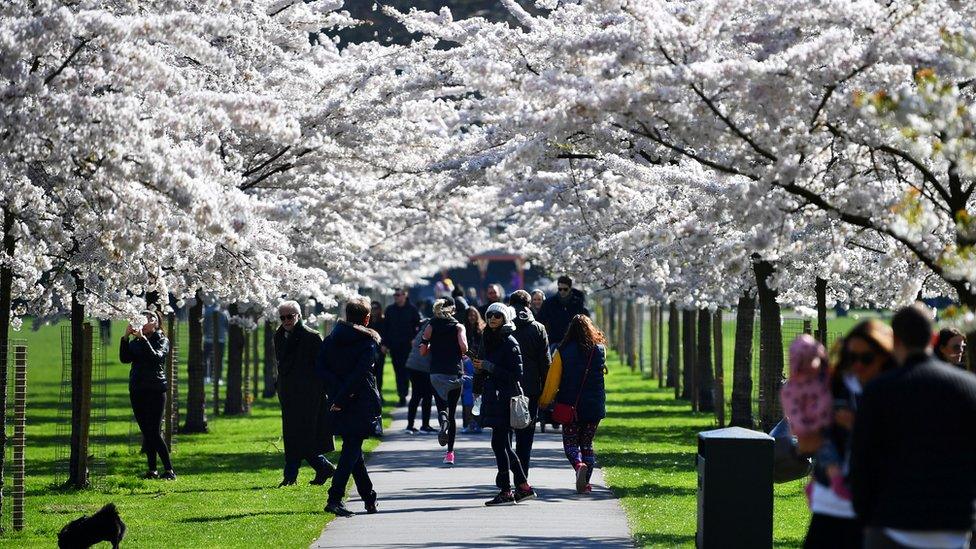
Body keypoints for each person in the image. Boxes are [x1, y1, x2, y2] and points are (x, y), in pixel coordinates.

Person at [851, 304, 976, 549]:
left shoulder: (879, 390)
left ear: (895, 339)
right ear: (932, 337)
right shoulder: (969, 388)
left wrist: (865, 515)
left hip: (893, 521)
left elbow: (862, 461)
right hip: (954, 524)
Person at [801, 320, 894, 549]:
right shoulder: (835, 385)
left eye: (866, 359)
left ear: (884, 356)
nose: (858, 366)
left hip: (873, 504)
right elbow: (816, 439)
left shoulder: (893, 390)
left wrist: (858, 427)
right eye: (852, 358)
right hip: (830, 500)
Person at [316, 296, 382, 517]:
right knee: (351, 450)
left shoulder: (331, 339)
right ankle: (334, 498)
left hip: (338, 401)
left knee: (353, 451)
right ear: (366, 318)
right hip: (359, 401)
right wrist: (345, 395)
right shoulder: (367, 342)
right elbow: (360, 374)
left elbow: (321, 369)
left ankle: (369, 497)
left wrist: (336, 394)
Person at [474, 303, 535, 505]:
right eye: (489, 315)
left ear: (505, 319)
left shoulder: (510, 342)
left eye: (497, 316)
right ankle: (523, 487)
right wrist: (479, 370)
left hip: (506, 397)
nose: (492, 319)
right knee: (502, 444)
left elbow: (516, 374)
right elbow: (485, 365)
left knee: (500, 444)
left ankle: (507, 490)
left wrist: (488, 366)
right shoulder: (488, 338)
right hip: (493, 395)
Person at [540, 314, 607, 494]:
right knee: (587, 444)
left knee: (571, 444)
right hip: (594, 407)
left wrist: (545, 402)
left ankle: (578, 466)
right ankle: (585, 484)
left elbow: (553, 380)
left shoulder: (562, 351)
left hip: (571, 406)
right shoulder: (599, 350)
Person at [272, 301, 335, 487]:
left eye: (289, 316)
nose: (286, 320)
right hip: (289, 393)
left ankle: (294, 474)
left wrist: (323, 390)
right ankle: (320, 468)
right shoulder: (278, 335)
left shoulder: (312, 336)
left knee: (305, 435)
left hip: (310, 394)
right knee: (292, 435)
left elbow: (323, 365)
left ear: (298, 316)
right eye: (282, 317)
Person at [120, 311, 176, 480]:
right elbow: (125, 358)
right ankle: (152, 470)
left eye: (151, 319)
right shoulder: (136, 342)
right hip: (137, 389)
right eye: (143, 318)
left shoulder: (162, 340)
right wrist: (125, 338)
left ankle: (169, 470)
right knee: (147, 431)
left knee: (154, 431)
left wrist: (143, 340)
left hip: (155, 389)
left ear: (157, 323)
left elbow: (156, 358)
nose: (146, 321)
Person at [420, 298, 468, 465]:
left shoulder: (431, 326)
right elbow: (464, 348)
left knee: (442, 406)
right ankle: (450, 453)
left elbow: (423, 351)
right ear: (452, 310)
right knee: (453, 412)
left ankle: (442, 420)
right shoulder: (458, 326)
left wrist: (432, 345)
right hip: (455, 372)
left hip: (436, 373)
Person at [509, 290, 551, 477]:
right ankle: (522, 476)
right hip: (531, 387)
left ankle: (506, 473)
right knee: (526, 435)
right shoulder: (538, 328)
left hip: (506, 386)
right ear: (529, 305)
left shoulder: (502, 326)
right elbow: (545, 362)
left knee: (504, 434)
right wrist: (547, 389)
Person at [383, 289, 421, 407]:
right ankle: (402, 396)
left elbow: (419, 325)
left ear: (405, 295)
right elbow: (386, 328)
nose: (396, 297)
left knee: (408, 372)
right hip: (395, 346)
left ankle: (414, 395)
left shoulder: (412, 310)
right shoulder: (390, 310)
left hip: (408, 347)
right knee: (398, 371)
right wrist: (385, 344)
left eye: (399, 295)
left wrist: (415, 339)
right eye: (395, 295)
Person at [539, 276, 590, 353]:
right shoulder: (549, 303)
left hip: (573, 341)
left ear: (570, 288)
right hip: (554, 340)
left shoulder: (577, 303)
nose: (562, 291)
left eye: (565, 289)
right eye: (560, 289)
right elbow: (541, 320)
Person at [404, 318, 436, 434]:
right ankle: (424, 425)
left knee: (416, 396)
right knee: (426, 395)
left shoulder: (424, 328)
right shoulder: (432, 330)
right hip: (422, 367)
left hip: (413, 366)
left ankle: (410, 425)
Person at [462, 306, 486, 434]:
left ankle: (478, 422)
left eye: (473, 315)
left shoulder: (482, 330)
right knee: (466, 397)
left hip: (478, 365)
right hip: (466, 365)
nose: (471, 317)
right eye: (469, 315)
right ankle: (467, 423)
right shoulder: (463, 330)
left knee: (477, 396)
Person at [367, 301, 387, 395]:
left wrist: (385, 345)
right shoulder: (367, 322)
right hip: (369, 349)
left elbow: (387, 335)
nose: (374, 310)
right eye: (372, 308)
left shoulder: (383, 321)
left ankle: (379, 392)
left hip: (380, 349)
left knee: (379, 373)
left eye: (376, 308)